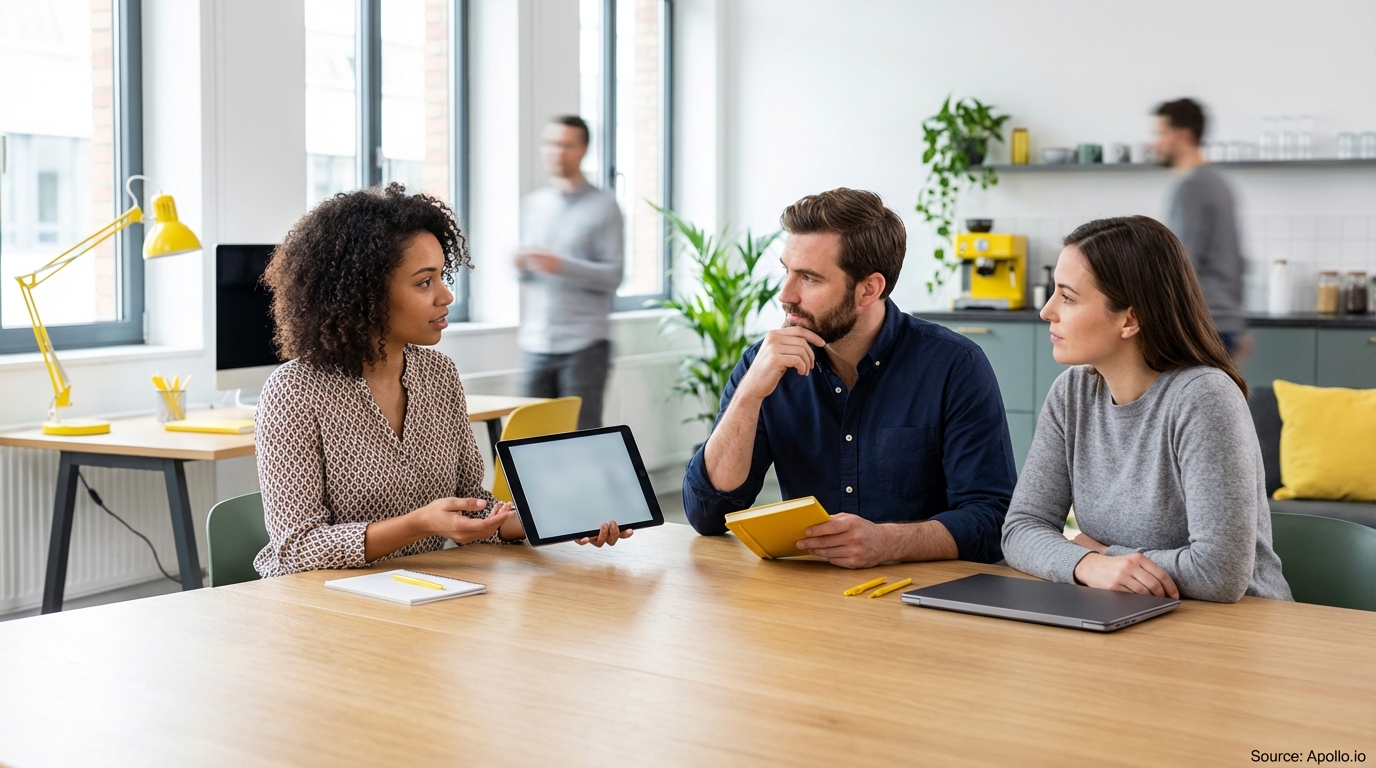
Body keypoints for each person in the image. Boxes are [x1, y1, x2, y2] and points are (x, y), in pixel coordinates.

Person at [254, 184, 631, 577]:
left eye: (441, 276)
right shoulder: (294, 390)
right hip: (314, 606)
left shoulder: (439, 374)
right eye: (424, 282)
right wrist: (419, 524)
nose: (446, 295)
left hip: (415, 595)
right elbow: (296, 549)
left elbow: (476, 507)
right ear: (363, 294)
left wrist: (560, 520)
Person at [682, 188, 1016, 568]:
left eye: (809, 278)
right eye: (786, 271)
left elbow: (993, 521)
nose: (785, 295)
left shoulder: (955, 365)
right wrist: (748, 396)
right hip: (810, 597)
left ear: (869, 289)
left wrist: (887, 542)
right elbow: (707, 514)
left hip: (926, 596)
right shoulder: (765, 364)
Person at [1001, 216, 1291, 603]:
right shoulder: (1071, 394)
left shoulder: (1204, 398)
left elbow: (1219, 573)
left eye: (1067, 297)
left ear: (1130, 319)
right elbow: (1020, 530)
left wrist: (1106, 554)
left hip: (1238, 628)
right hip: (1128, 613)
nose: (1047, 311)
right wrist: (1087, 564)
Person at [516, 115, 624, 430]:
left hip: (585, 345)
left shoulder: (605, 206)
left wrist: (561, 265)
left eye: (567, 145)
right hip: (536, 343)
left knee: (581, 438)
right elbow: (532, 277)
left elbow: (613, 275)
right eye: (551, 144)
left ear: (583, 150)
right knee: (529, 438)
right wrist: (521, 267)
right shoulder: (533, 204)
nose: (557, 152)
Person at [1152, 98, 1250, 359]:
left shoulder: (1191, 187)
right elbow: (1237, 261)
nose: (1155, 143)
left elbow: (1181, 260)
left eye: (1161, 133)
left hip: (1198, 323)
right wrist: (1237, 323)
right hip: (1224, 321)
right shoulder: (1220, 183)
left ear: (1182, 135)